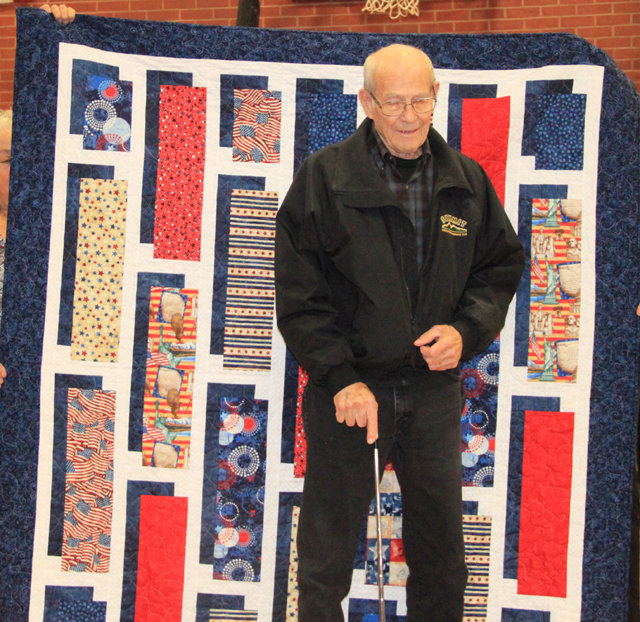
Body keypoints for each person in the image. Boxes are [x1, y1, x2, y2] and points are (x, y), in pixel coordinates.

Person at [275, 44, 525, 621]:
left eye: (420, 100)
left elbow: (499, 268)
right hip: (350, 394)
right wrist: (339, 376)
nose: (409, 116)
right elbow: (299, 293)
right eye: (393, 102)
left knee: (442, 559)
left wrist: (466, 331)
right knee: (325, 560)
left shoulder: (466, 181)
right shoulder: (324, 178)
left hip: (433, 394)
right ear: (367, 102)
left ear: (437, 96)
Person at [0, 6, 75, 389]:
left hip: (44, 390)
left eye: (23, 157)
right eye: (7, 158)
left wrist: (51, 31)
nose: (19, 168)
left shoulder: (52, 222)